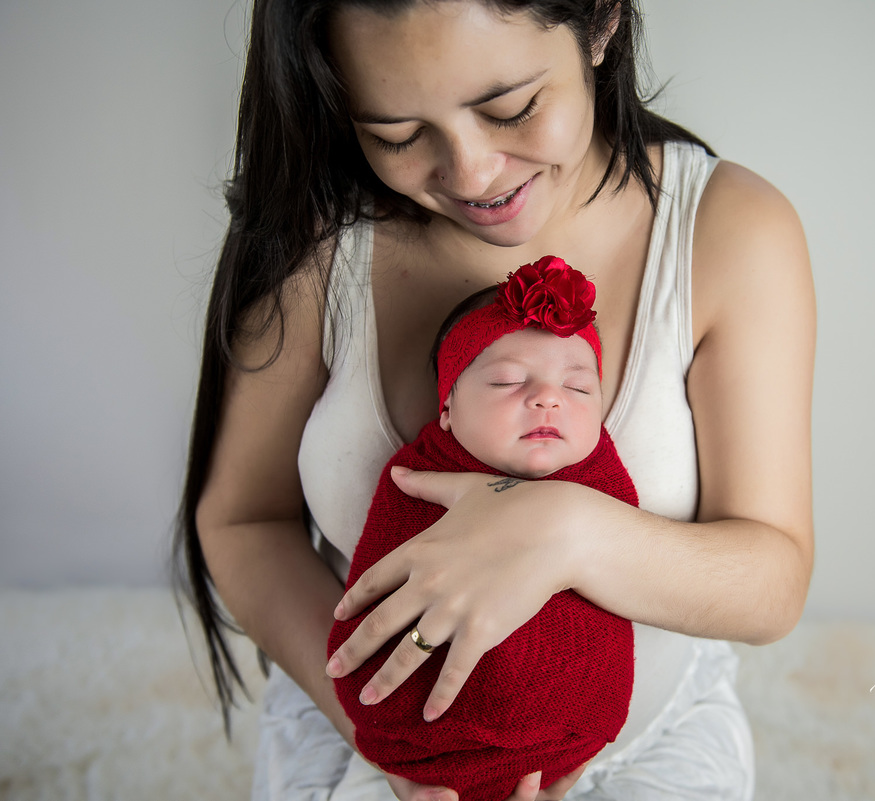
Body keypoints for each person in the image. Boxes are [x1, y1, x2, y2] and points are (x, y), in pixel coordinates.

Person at [174, 1, 815, 799]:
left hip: (645, 755)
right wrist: (390, 742)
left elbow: (773, 579)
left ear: (602, 21)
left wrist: (567, 529)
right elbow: (240, 519)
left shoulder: (726, 230)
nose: (473, 175)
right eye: (398, 135)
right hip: (381, 752)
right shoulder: (319, 241)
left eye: (511, 108)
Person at [330, 257, 640, 801]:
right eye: (507, 380)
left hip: (571, 738)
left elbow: (632, 568)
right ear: (447, 407)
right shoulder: (418, 477)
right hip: (432, 744)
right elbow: (373, 592)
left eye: (579, 387)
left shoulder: (602, 479)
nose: (549, 398)